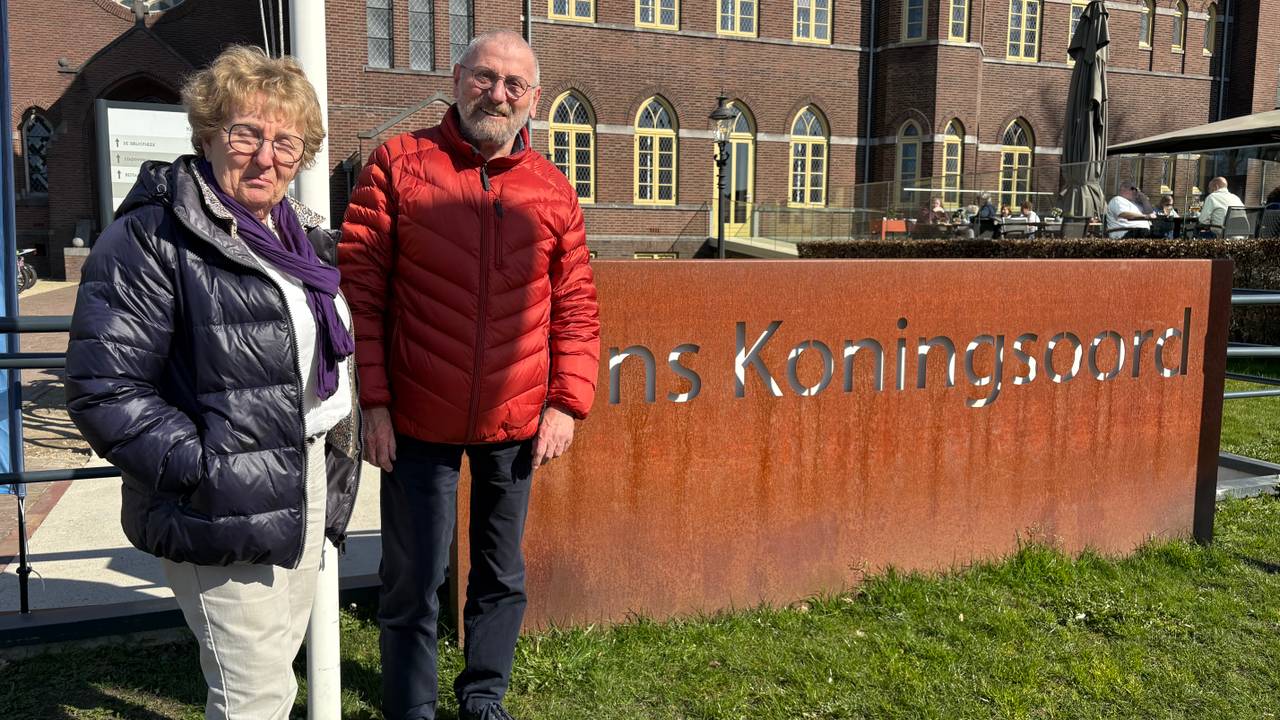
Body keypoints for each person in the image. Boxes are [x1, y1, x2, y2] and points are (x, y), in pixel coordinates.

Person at [65, 46, 361, 719]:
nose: (266, 156)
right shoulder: (151, 237)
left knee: (273, 676)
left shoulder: (298, 238)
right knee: (252, 696)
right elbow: (104, 388)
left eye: (286, 140)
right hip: (220, 498)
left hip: (304, 476)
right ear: (205, 135)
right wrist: (208, 470)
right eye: (245, 133)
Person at [339, 30, 601, 720]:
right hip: (417, 415)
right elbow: (360, 292)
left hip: (514, 419)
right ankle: (411, 706)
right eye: (486, 77)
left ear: (534, 99)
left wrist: (566, 404)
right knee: (412, 578)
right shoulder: (399, 163)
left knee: (500, 574)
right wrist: (373, 402)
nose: (499, 94)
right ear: (458, 79)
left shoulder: (551, 189)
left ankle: (484, 696)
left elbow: (575, 305)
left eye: (515, 84)